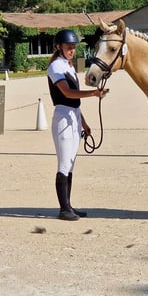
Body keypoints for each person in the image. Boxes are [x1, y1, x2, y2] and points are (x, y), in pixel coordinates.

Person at [47, 29, 109, 221]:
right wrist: (93, 94)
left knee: (71, 164)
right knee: (64, 164)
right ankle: (64, 209)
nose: (72, 50)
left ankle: (68, 205)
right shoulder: (56, 67)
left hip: (73, 115)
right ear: (59, 47)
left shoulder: (68, 66)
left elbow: (75, 102)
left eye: (73, 48)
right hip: (63, 118)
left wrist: (84, 123)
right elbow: (66, 94)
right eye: (68, 47)